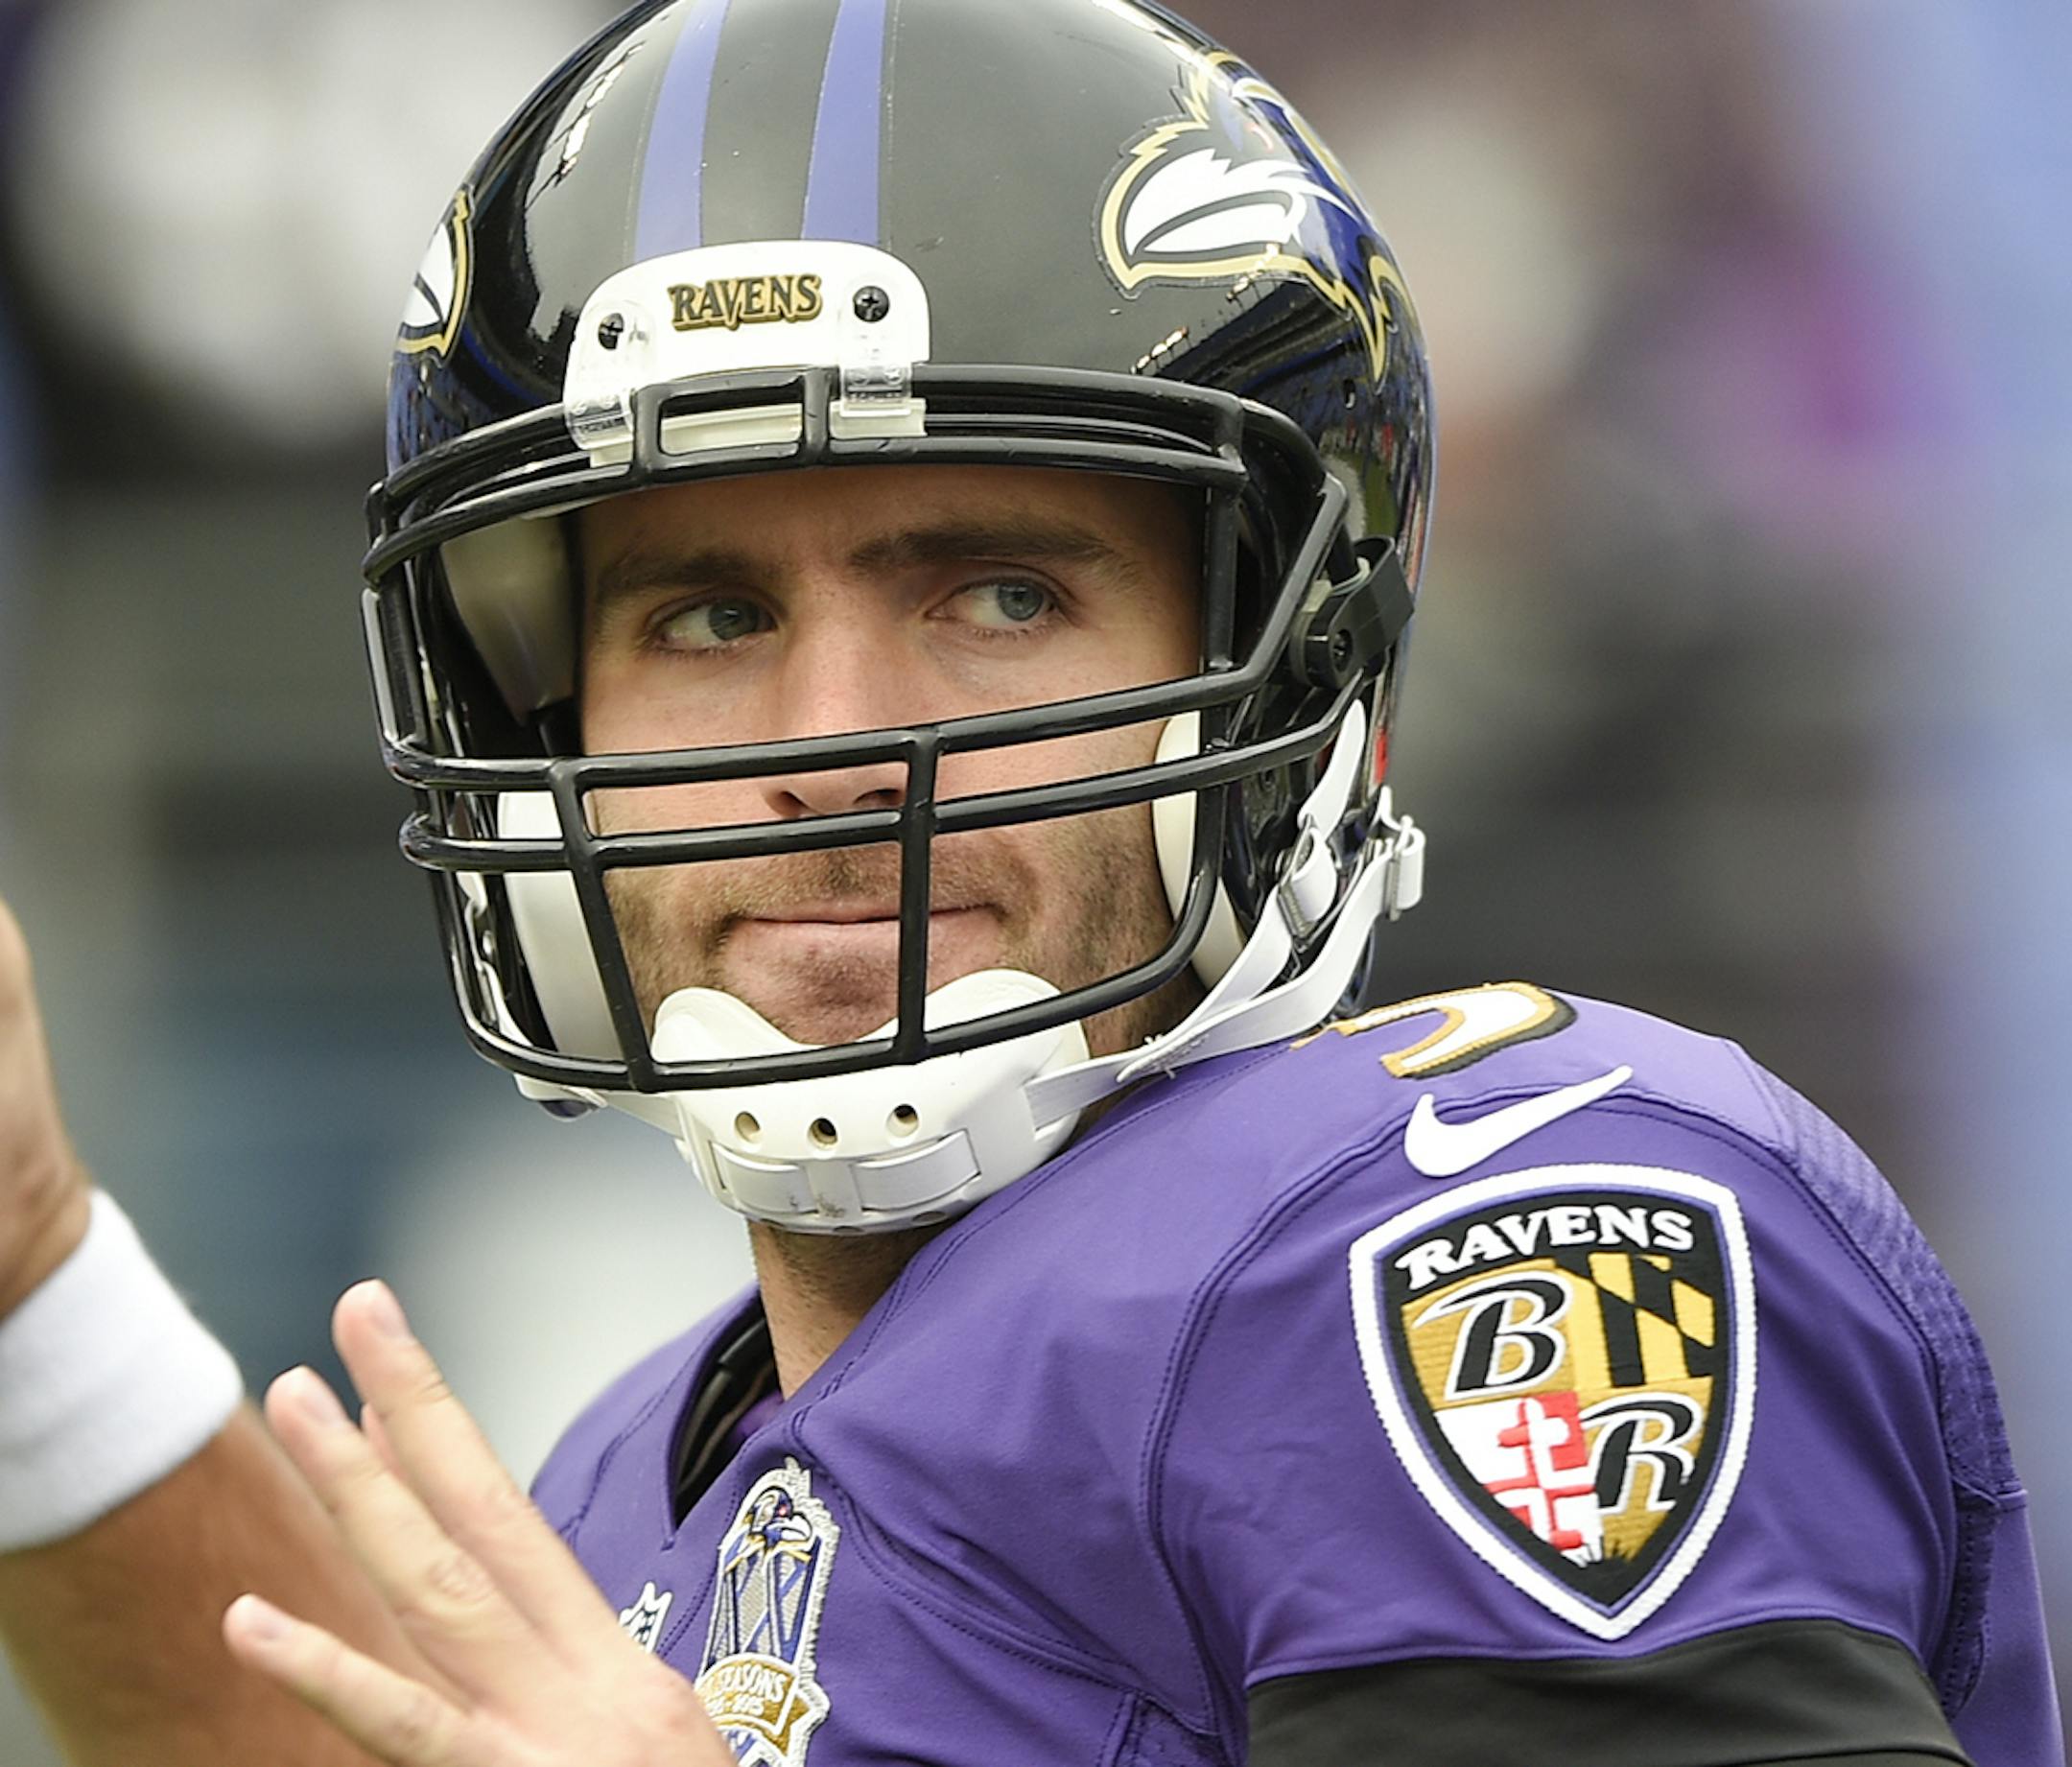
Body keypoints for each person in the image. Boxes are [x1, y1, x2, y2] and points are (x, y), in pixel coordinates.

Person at [0, 0, 2060, 1762]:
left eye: (997, 593)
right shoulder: (637, 1472)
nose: (832, 743)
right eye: (708, 616)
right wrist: (32, 1289)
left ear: (1289, 664)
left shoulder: (1467, 1249)